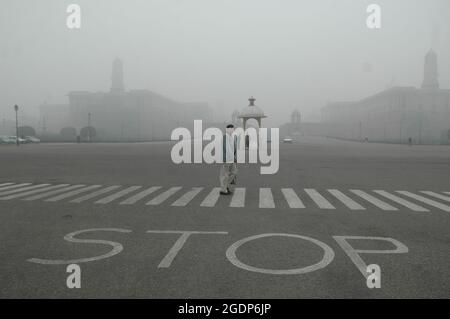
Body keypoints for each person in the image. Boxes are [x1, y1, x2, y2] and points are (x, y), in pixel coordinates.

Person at [219, 124, 237, 195]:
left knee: (234, 172)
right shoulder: (225, 137)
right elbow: (227, 149)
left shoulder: (231, 137)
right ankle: (223, 190)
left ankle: (225, 186)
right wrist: (233, 157)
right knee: (225, 174)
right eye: (230, 129)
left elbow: (233, 148)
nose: (231, 130)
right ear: (227, 129)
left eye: (232, 129)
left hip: (231, 159)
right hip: (226, 159)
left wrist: (235, 157)